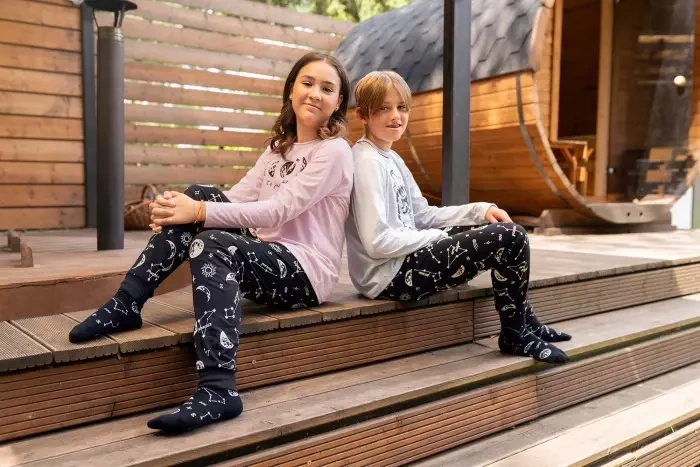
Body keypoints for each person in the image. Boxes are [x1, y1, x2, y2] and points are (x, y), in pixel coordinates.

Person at [68, 52, 354, 433]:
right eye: (307, 82)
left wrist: (198, 212)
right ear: (291, 91)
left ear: (338, 102)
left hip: (306, 271)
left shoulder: (334, 152)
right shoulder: (278, 150)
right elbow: (234, 199)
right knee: (200, 193)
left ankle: (219, 389)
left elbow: (276, 211)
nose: (315, 93)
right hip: (266, 254)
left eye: (327, 88)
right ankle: (127, 302)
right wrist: (182, 209)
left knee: (213, 240)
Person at [344, 70, 571, 365]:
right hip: (389, 277)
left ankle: (526, 322)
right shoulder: (366, 162)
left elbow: (422, 214)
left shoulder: (390, 157)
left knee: (493, 225)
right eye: (383, 108)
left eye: (401, 107)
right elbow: (377, 242)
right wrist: (437, 238)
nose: (395, 116)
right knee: (511, 236)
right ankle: (515, 334)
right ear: (363, 115)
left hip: (402, 261)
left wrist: (479, 210)